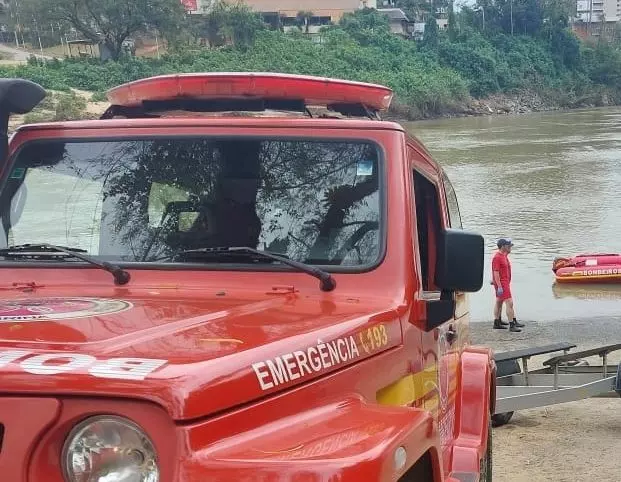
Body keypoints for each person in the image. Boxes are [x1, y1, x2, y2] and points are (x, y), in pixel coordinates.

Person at [492, 237, 524, 332]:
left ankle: (497, 322)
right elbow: (496, 272)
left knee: (499, 302)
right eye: (508, 246)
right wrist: (499, 285)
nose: (510, 247)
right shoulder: (497, 257)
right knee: (509, 303)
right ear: (503, 246)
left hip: (505, 282)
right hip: (502, 284)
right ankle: (512, 325)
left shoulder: (504, 256)